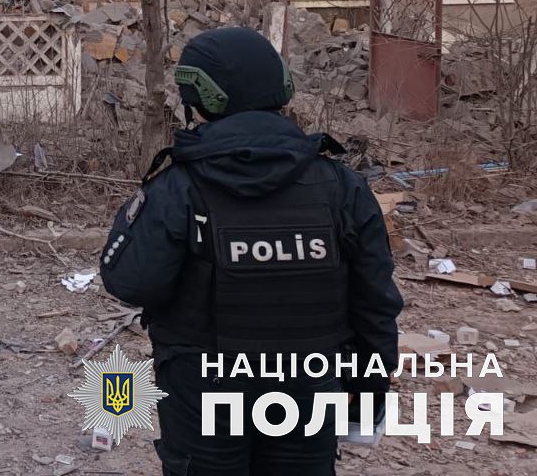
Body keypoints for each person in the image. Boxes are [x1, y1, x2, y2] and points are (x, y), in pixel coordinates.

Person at [99, 27, 402, 476]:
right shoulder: (341, 186)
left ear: (199, 100)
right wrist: (371, 393)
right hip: (309, 384)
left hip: (205, 387)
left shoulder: (178, 187)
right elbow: (375, 303)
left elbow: (131, 281)